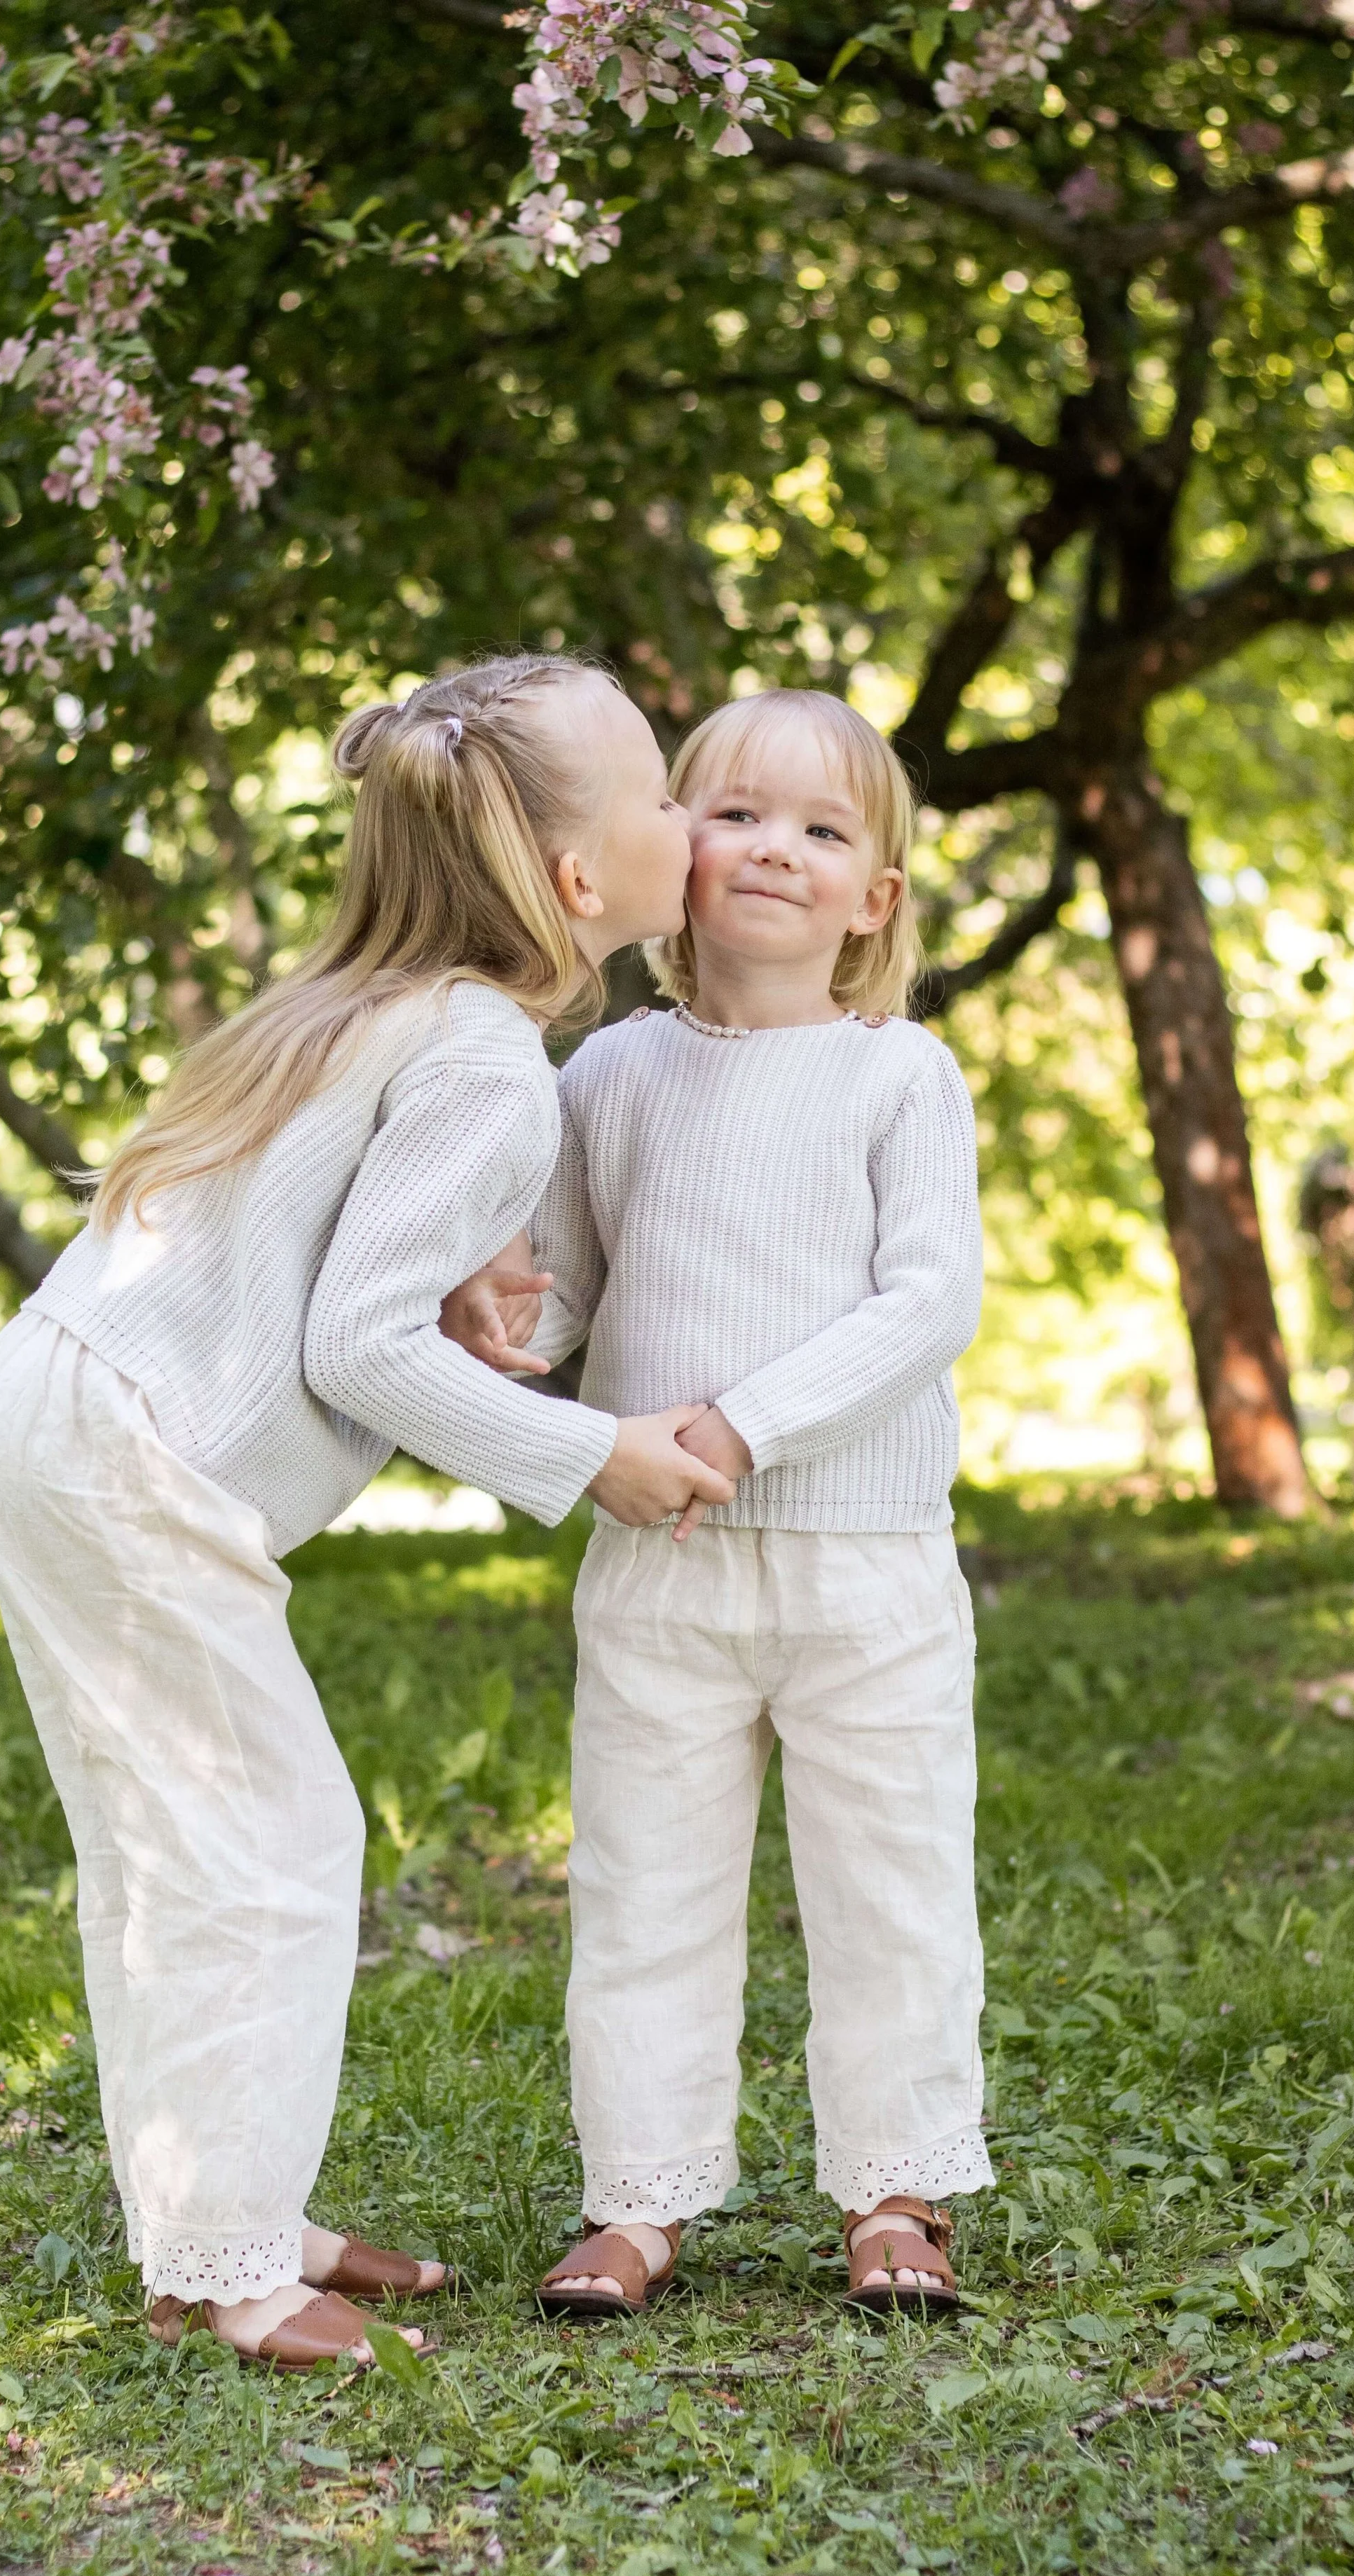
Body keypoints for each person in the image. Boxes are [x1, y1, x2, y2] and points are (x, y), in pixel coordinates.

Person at [0, 654, 737, 2371]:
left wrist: (456, 1290)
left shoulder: (374, 1007)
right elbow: (355, 1342)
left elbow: (329, 1266)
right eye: (664, 794)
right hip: (123, 1453)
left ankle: (224, 2210)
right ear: (581, 886)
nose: (694, 817)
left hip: (55, 1407)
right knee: (274, 1848)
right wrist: (589, 1449)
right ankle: (231, 2272)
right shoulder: (485, 1061)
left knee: (174, 1855)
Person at [444, 688, 990, 2319]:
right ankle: (639, 2197)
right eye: (736, 814)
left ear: (873, 899)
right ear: (671, 849)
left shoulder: (898, 1079)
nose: (775, 851)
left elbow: (924, 1306)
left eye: (825, 832)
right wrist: (499, 1315)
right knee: (643, 1882)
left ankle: (893, 2194)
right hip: (658, 1568)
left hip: (865, 1567)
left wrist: (743, 1425)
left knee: (888, 1885)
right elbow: (565, 1296)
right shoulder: (605, 1073)